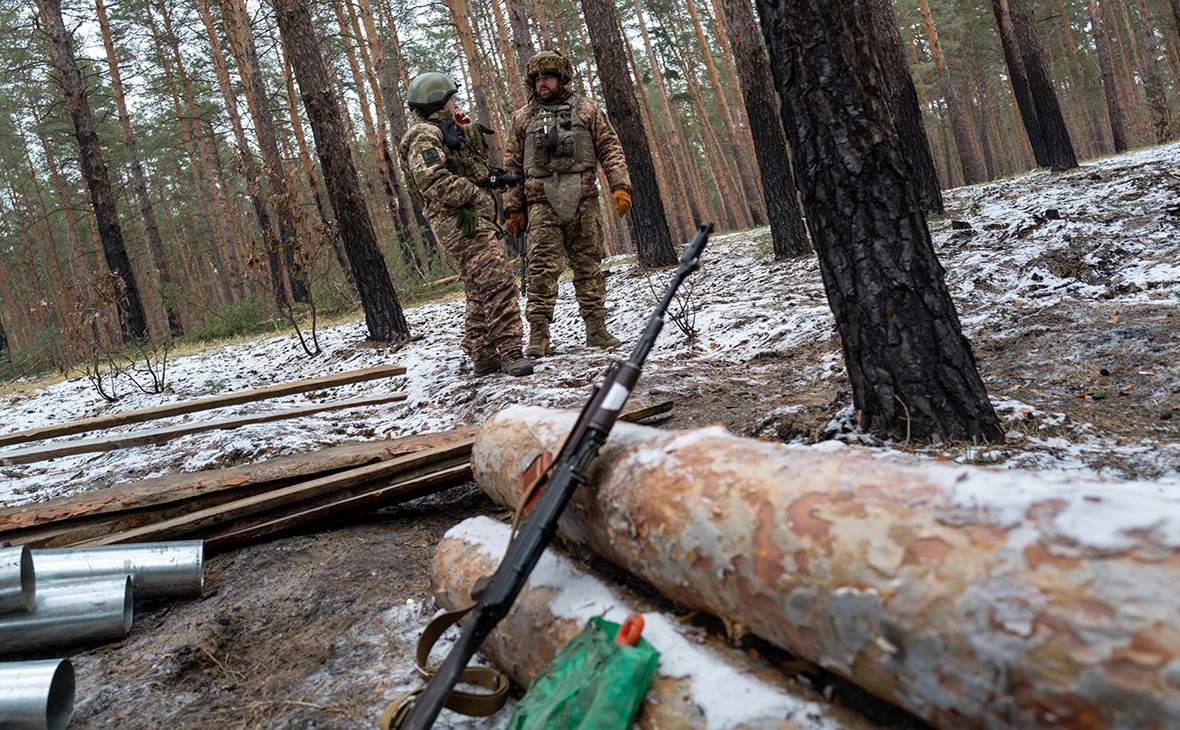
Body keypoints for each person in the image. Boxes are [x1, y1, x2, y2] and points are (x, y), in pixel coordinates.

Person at [399, 72, 532, 377]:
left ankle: (484, 354)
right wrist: (477, 196)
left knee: (478, 288)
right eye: (451, 99)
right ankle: (511, 350)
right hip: (461, 224)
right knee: (498, 283)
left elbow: (468, 169)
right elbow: (433, 181)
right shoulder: (423, 136)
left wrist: (494, 178)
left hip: (470, 221)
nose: (455, 104)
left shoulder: (443, 131)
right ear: (437, 103)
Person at [503, 50, 632, 358]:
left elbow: (609, 147)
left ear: (561, 78)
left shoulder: (587, 109)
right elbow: (511, 166)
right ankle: (538, 334)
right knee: (541, 270)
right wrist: (513, 207)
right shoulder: (523, 118)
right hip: (540, 203)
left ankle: (596, 328)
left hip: (584, 199)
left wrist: (619, 185)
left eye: (546, 77)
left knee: (588, 266)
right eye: (536, 78)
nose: (541, 83)